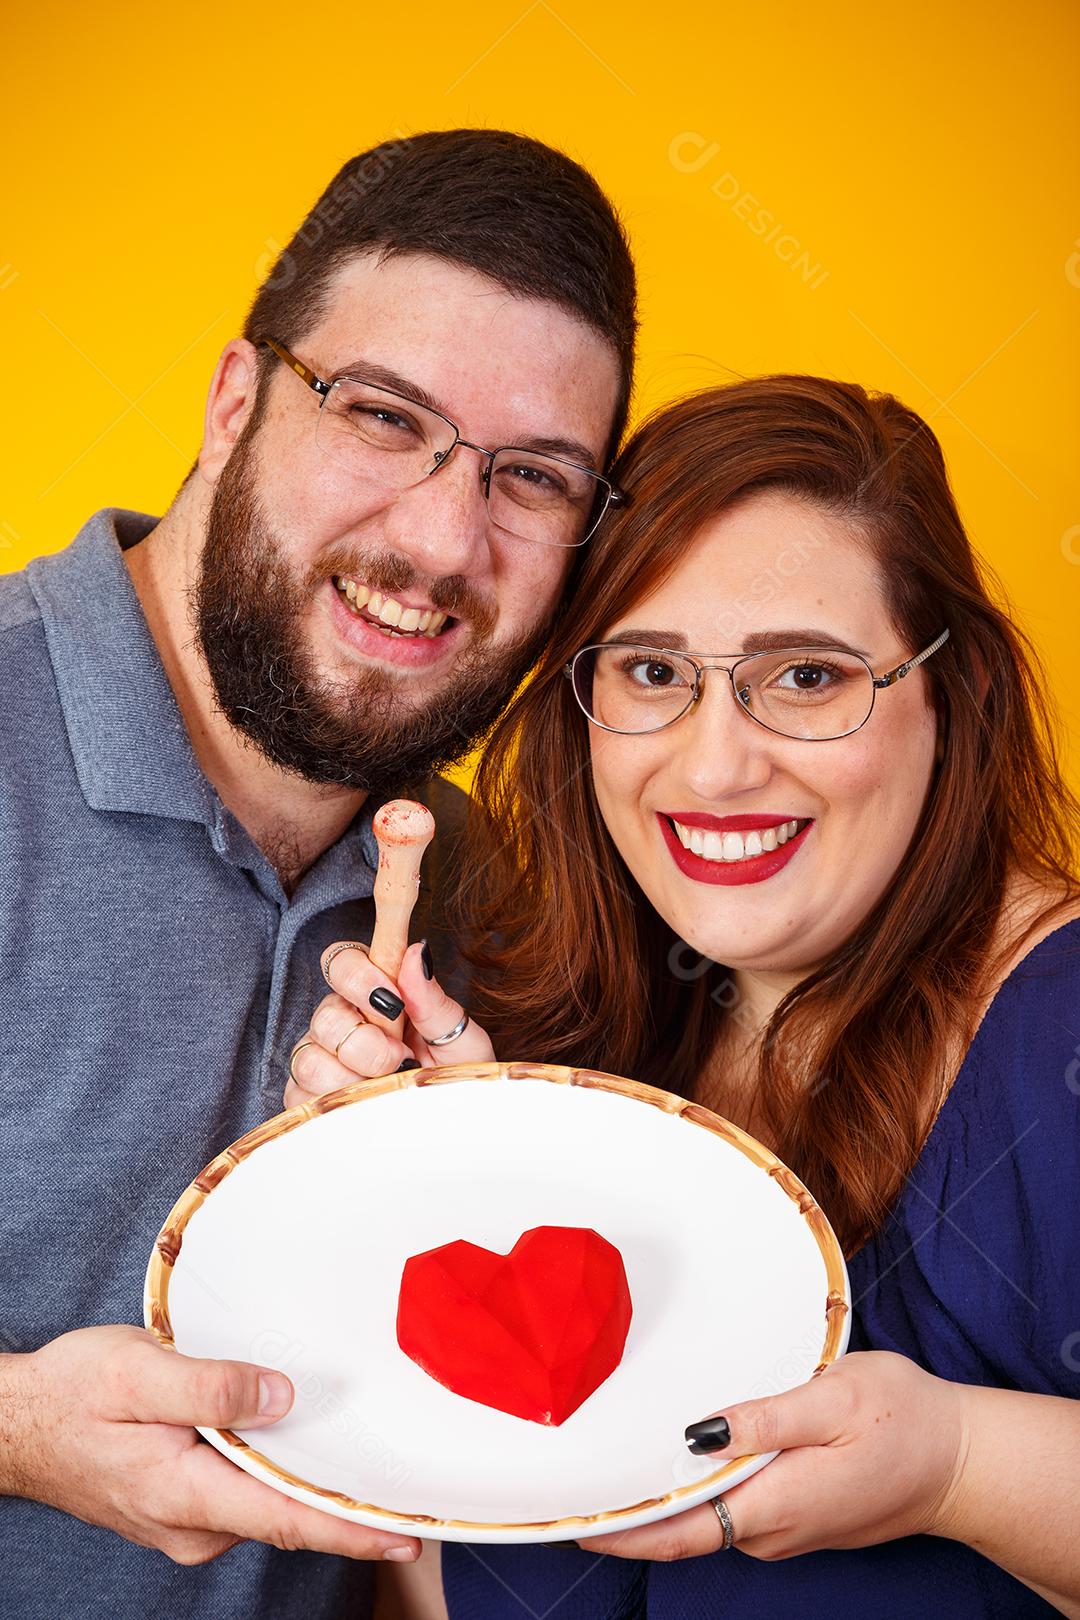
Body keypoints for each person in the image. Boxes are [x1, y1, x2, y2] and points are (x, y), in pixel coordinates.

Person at [299, 375, 1080, 1617]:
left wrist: (960, 1468)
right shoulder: (586, 1017)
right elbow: (452, 1572)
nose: (715, 766)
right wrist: (428, 1191)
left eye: (808, 678)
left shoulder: (1059, 1037)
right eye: (653, 670)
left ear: (959, 692)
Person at [0, 128, 636, 1620]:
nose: (438, 539)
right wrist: (19, 1429)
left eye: (533, 477)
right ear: (234, 402)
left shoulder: (484, 893)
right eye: (380, 414)